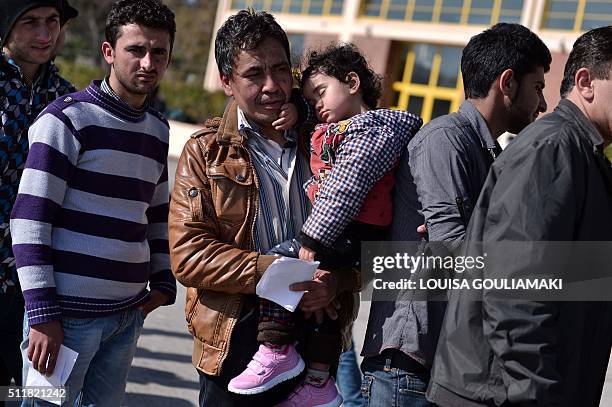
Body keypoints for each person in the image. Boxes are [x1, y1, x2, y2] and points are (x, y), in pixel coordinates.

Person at [168, 10, 362, 406]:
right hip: (235, 343)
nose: (273, 86)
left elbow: (368, 243)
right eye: (255, 74)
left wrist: (336, 282)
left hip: (317, 347)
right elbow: (188, 256)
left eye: (280, 69)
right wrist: (276, 272)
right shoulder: (206, 152)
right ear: (226, 82)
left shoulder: (331, 143)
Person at [360, 23, 551, 406]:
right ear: (508, 83)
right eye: (538, 87)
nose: (543, 105)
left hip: (439, 366)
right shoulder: (446, 140)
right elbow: (454, 253)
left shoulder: (486, 153)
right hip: (407, 369)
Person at [427, 25, 612, 407]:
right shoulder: (551, 150)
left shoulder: (587, 156)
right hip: (501, 393)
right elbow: (514, 288)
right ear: (586, 82)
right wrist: (536, 393)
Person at [227, 43, 421, 406]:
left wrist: (312, 238)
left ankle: (275, 348)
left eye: (320, 93)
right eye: (310, 99)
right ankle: (318, 380)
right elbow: (315, 118)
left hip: (349, 229)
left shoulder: (372, 131)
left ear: (352, 82)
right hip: (346, 232)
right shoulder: (339, 124)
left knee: (282, 261)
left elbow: (345, 186)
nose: (317, 105)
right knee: (322, 302)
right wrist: (296, 109)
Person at [11, 0, 177, 405]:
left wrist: (164, 280)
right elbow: (29, 221)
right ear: (109, 52)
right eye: (136, 50)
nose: (147, 62)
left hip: (126, 318)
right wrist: (43, 315)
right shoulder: (66, 120)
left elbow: (155, 214)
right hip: (64, 321)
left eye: (159, 52)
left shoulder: (157, 129)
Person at [0, 0, 76, 394]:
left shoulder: (68, 100)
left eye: (52, 22)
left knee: (40, 392)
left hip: (40, 281)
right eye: (31, 23)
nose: (45, 35)